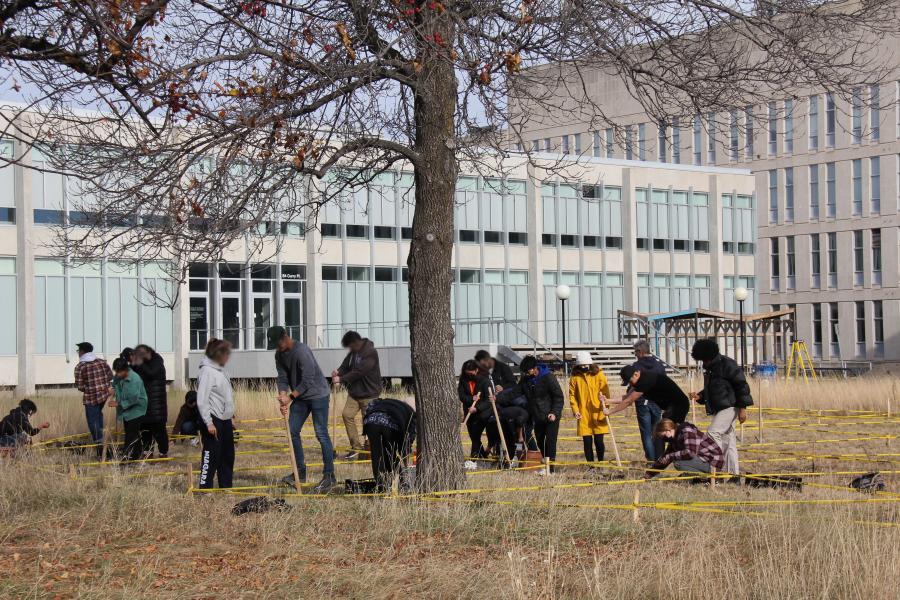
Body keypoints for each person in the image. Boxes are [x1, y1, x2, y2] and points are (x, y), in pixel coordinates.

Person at [269, 326, 336, 494]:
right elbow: (283, 377)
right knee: (292, 431)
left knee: (321, 434)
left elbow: (308, 379)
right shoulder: (279, 354)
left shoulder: (301, 351)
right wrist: (282, 397)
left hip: (318, 395)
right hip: (300, 398)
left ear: (285, 337)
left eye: (277, 344)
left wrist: (290, 398)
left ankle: (329, 476)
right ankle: (300, 472)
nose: (277, 348)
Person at [690, 338, 753, 475]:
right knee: (729, 441)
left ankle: (716, 466)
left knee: (713, 432)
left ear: (710, 356)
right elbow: (715, 389)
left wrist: (743, 408)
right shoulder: (711, 369)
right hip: (722, 407)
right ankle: (732, 474)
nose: (703, 362)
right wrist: (700, 396)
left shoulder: (728, 364)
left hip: (731, 406)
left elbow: (742, 385)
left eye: (704, 359)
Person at [332, 330, 383, 460]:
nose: (349, 349)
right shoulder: (353, 352)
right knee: (347, 415)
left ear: (355, 342)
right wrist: (338, 371)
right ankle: (355, 447)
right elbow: (346, 366)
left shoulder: (370, 352)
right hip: (354, 393)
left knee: (369, 423)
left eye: (350, 346)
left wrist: (341, 379)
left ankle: (370, 451)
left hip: (369, 394)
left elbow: (360, 372)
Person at [196, 339, 236, 489]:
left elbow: (227, 396)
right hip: (212, 418)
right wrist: (208, 422)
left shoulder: (222, 371)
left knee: (227, 454)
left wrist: (231, 416)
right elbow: (202, 400)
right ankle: (205, 487)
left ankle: (226, 486)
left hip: (225, 418)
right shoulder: (206, 371)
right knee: (211, 454)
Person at [519, 355, 564, 473]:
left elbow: (558, 397)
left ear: (534, 368)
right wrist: (498, 398)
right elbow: (515, 392)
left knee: (550, 441)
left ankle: (551, 469)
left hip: (551, 416)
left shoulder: (548, 377)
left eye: (528, 371)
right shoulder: (525, 380)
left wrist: (554, 412)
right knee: (540, 440)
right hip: (538, 416)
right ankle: (546, 463)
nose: (526, 374)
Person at [361, 397, 417, 492]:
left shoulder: (391, 402)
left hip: (371, 422)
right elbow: (408, 439)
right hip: (390, 425)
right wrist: (405, 454)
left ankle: (381, 487)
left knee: (377, 456)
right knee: (392, 457)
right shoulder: (412, 413)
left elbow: (370, 406)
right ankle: (402, 484)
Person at [644, 419, 724, 479]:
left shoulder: (687, 431)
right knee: (677, 462)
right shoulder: (674, 439)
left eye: (663, 436)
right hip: (703, 460)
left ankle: (706, 478)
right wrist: (649, 474)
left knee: (678, 462)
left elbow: (690, 453)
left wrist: (670, 456)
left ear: (668, 430)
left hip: (713, 464)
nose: (663, 439)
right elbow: (665, 457)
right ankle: (698, 477)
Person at [568, 351, 610, 464]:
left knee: (599, 441)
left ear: (590, 363)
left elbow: (606, 394)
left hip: (598, 412)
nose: (583, 367)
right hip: (583, 414)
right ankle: (591, 466)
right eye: (581, 365)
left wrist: (604, 410)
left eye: (585, 365)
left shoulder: (599, 375)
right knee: (587, 442)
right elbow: (572, 396)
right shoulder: (575, 377)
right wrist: (575, 410)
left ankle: (601, 462)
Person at [631, 340, 668, 461]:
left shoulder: (636, 366)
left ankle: (651, 460)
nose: (635, 355)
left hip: (642, 401)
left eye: (635, 352)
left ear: (640, 352)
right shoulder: (659, 365)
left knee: (646, 433)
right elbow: (665, 384)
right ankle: (659, 457)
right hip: (657, 401)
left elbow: (632, 385)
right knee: (657, 431)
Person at [130, 344, 169, 459]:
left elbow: (151, 373)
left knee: (159, 429)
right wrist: (132, 363)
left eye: (141, 355)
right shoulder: (141, 365)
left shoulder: (157, 361)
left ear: (148, 352)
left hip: (157, 402)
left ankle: (163, 452)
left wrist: (140, 363)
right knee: (145, 428)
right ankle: (147, 451)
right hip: (143, 402)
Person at [73, 342, 113, 452]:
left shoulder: (80, 366)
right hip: (104, 395)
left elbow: (80, 386)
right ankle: (103, 438)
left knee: (92, 420)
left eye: (78, 351)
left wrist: (90, 387)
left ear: (82, 352)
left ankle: (100, 444)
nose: (78, 353)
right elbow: (110, 376)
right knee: (98, 415)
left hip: (91, 398)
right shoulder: (101, 362)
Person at [110, 357, 149, 462]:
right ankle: (137, 455)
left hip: (137, 409)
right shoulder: (118, 376)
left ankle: (126, 458)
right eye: (116, 372)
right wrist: (111, 390)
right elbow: (114, 385)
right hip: (125, 410)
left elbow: (133, 399)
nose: (117, 374)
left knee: (130, 435)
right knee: (132, 432)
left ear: (126, 370)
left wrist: (117, 403)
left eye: (119, 372)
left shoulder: (134, 379)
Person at [458, 359, 496, 458]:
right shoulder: (463, 379)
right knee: (473, 436)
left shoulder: (485, 381)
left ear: (476, 370)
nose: (469, 375)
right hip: (469, 412)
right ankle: (483, 456)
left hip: (482, 414)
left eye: (471, 373)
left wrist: (477, 408)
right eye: (467, 373)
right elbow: (461, 395)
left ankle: (474, 458)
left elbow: (489, 400)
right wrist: (471, 398)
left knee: (475, 435)